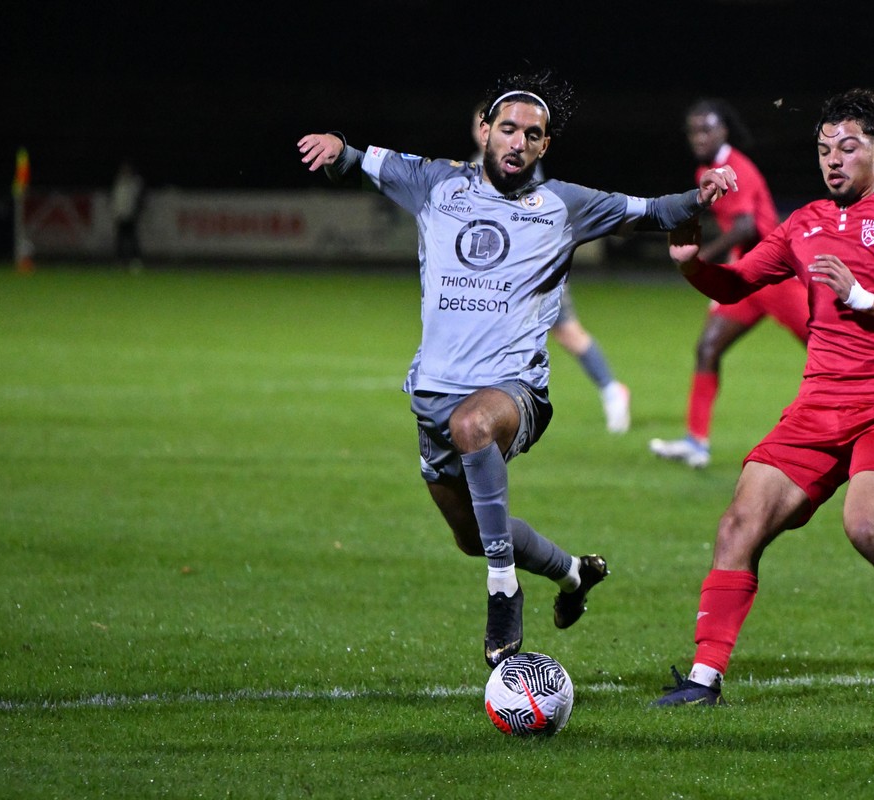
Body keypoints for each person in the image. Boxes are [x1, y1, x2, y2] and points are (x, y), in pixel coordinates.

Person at [298, 70, 734, 669]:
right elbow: (357, 162)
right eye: (508, 129)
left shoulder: (565, 204)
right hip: (433, 394)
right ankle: (573, 573)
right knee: (473, 536)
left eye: (532, 135)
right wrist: (335, 148)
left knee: (474, 427)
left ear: (544, 145)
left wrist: (701, 196)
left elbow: (655, 210)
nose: (518, 142)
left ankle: (504, 593)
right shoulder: (436, 182)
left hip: (514, 391)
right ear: (485, 131)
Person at [654, 88, 874, 707]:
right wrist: (693, 266)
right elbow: (739, 283)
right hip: (818, 401)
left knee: (867, 527)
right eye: (825, 148)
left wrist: (862, 299)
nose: (833, 159)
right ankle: (703, 680)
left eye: (848, 147)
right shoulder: (804, 223)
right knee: (739, 524)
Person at [649, 99, 809, 469]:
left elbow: (746, 226)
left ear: (723, 130)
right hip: (749, 276)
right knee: (708, 347)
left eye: (706, 129)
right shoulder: (707, 170)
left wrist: (701, 259)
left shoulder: (738, 169)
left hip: (776, 276)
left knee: (829, 349)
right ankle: (696, 443)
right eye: (693, 131)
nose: (698, 137)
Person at [468, 105, 632, 435]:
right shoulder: (479, 164)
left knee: (566, 332)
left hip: (537, 269)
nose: (481, 130)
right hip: (506, 274)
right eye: (479, 124)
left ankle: (611, 390)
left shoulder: (517, 163)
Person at [111, 159, 145, 267]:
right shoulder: (119, 182)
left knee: (132, 239)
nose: (125, 171)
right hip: (120, 215)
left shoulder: (135, 182)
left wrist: (135, 212)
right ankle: (120, 260)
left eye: (127, 169)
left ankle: (135, 260)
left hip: (130, 215)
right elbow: (116, 199)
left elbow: (138, 198)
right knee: (120, 239)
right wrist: (116, 212)